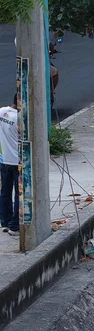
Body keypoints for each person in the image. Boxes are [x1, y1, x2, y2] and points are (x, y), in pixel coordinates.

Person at [0, 96, 19, 234]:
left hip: (5, 159)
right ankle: (14, 225)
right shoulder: (20, 118)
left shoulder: (1, 112)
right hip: (18, 161)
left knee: (5, 192)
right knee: (20, 195)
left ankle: (5, 221)